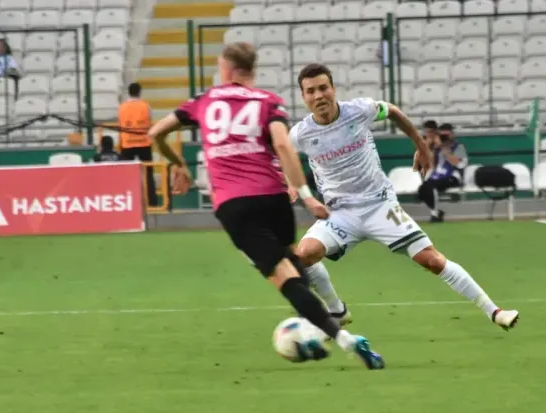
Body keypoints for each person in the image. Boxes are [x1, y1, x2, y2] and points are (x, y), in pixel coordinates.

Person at [147, 43, 385, 370]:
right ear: (252, 70)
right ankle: (330, 314)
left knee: (284, 278)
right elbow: (283, 145)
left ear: (226, 69)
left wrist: (178, 164)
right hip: (274, 198)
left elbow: (155, 133)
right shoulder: (268, 101)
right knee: (292, 262)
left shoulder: (204, 100)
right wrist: (306, 195)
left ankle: (343, 338)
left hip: (234, 204)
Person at [289, 63, 520, 331]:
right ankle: (336, 310)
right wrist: (290, 184)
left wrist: (420, 145)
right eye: (310, 91)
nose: (318, 96)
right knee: (302, 256)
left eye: (323, 88)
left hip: (380, 205)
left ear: (333, 89)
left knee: (431, 259)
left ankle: (495, 311)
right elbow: (282, 157)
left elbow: (393, 111)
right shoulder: (300, 134)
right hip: (340, 213)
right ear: (303, 97)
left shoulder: (359, 110)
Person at [418, 123, 468, 222]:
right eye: (442, 135)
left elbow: (458, 164)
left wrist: (444, 148)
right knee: (422, 189)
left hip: (453, 177)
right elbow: (430, 164)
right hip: (437, 176)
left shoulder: (459, 147)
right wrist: (431, 146)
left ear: (452, 134)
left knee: (430, 186)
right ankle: (436, 212)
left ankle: (435, 215)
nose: (444, 138)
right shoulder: (436, 148)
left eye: (446, 135)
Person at [118, 83, 157, 206]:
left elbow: (120, 124)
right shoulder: (146, 106)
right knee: (148, 173)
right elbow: (150, 121)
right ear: (139, 92)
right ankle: (152, 202)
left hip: (127, 143)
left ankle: (126, 202)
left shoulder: (122, 107)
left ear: (128, 92)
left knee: (125, 174)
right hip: (143, 142)